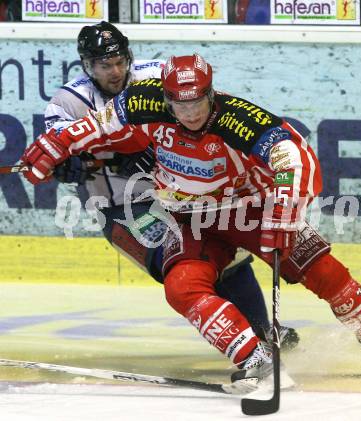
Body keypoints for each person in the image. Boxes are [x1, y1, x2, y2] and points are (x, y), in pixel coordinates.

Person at [20, 53, 361, 392]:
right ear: (166, 98)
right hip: (189, 216)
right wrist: (53, 144)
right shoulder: (144, 102)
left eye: (199, 102)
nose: (191, 112)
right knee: (180, 286)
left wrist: (285, 211)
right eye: (181, 104)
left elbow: (293, 154)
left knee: (323, 270)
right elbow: (95, 124)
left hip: (253, 208)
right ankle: (255, 356)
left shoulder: (237, 118)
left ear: (211, 93)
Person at [45, 22, 298, 353]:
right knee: (179, 266)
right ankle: (245, 342)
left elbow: (201, 116)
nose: (116, 71)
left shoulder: (155, 76)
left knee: (230, 260)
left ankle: (263, 332)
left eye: (121, 61)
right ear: (87, 65)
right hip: (123, 208)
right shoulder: (68, 101)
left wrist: (144, 153)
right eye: (106, 65)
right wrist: (68, 165)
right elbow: (54, 153)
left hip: (180, 198)